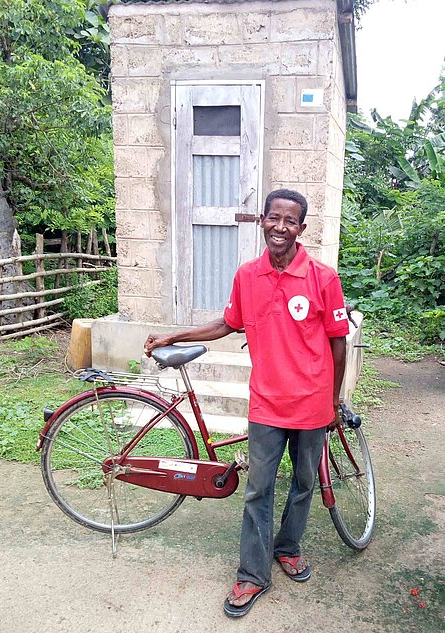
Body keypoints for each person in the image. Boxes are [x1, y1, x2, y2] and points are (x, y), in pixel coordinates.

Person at [144, 189, 350, 618]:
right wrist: (171, 335)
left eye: (289, 221)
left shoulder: (323, 278)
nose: (280, 227)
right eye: (273, 218)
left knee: (304, 484)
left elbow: (337, 340)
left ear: (301, 228)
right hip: (267, 403)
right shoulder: (248, 275)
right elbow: (226, 323)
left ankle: (288, 548)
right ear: (262, 221)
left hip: (312, 403)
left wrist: (333, 400)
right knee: (258, 488)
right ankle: (253, 575)